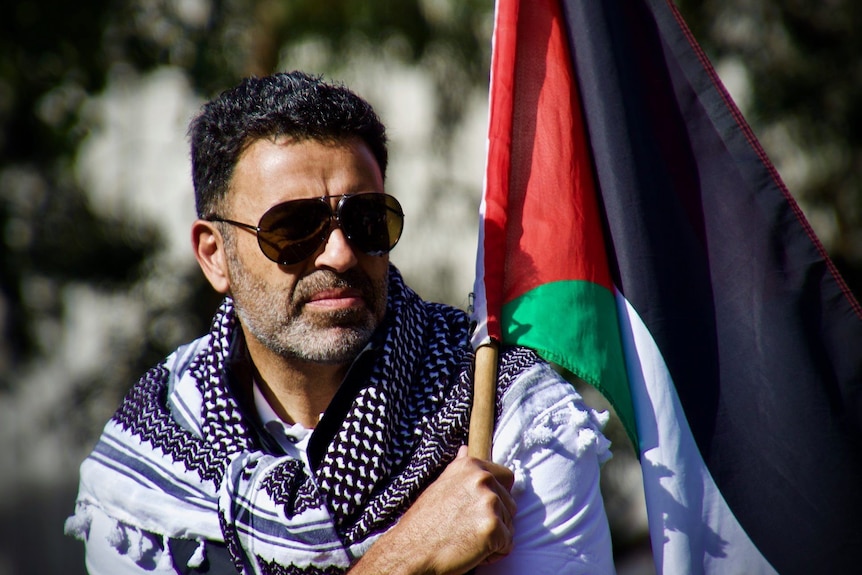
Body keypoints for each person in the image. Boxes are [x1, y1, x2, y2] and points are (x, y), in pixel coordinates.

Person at [65, 71, 616, 575]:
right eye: (294, 226)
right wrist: (403, 561)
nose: (341, 255)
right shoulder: (153, 449)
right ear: (215, 255)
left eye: (366, 219)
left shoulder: (509, 416)